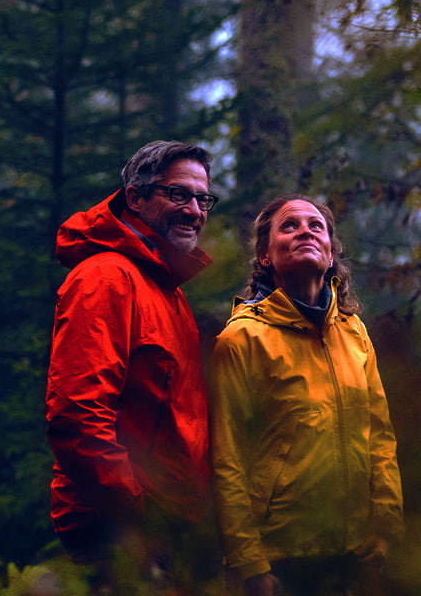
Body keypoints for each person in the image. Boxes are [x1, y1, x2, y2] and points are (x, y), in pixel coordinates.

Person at [45, 140, 218, 593]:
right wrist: (139, 515)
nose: (193, 210)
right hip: (118, 530)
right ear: (135, 198)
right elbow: (76, 418)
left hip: (165, 529)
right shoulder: (106, 277)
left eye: (202, 199)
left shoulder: (168, 291)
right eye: (178, 195)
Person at [209, 195, 404, 596]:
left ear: (331, 254)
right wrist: (249, 563)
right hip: (281, 559)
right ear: (264, 256)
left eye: (316, 225)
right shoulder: (241, 339)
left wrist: (386, 532)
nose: (305, 231)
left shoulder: (354, 334)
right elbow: (227, 458)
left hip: (358, 554)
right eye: (289, 225)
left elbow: (380, 440)